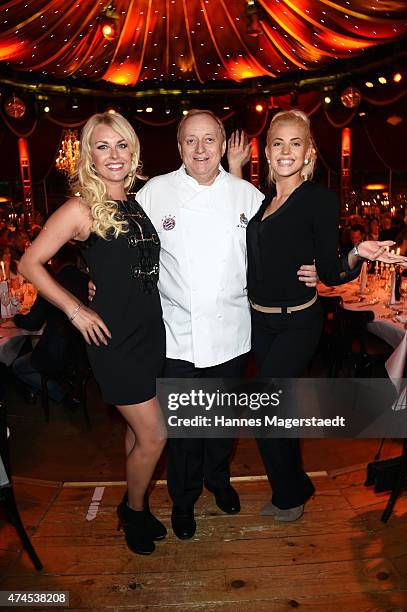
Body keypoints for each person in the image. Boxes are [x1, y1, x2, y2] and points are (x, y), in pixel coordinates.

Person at [134, 109, 319, 539]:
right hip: (177, 336)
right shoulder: (154, 193)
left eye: (210, 139)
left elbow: (281, 244)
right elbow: (129, 251)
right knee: (184, 434)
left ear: (222, 144)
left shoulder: (247, 195)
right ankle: (183, 501)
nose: (201, 149)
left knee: (221, 426)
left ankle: (218, 481)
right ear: (179, 146)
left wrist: (313, 266)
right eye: (191, 140)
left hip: (234, 333)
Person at [243, 110, 406, 521]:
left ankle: (290, 493)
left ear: (309, 152)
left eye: (295, 143)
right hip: (260, 323)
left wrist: (355, 253)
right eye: (277, 142)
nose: (285, 150)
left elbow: (331, 272)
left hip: (298, 321)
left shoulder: (318, 199)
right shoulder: (261, 202)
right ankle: (293, 486)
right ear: (266, 149)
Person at [18, 112, 167, 556]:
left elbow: (119, 265)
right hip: (112, 338)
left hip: (149, 332)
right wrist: (76, 308)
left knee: (139, 430)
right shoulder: (80, 207)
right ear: (89, 156)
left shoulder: (136, 202)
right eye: (102, 147)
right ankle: (134, 511)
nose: (114, 155)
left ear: (133, 150)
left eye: (121, 145)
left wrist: (91, 278)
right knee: (156, 434)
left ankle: (133, 499)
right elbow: (29, 263)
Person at [12, 242, 89, 403]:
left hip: (57, 355)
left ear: (54, 261)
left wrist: (15, 317)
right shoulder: (87, 280)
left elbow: (32, 323)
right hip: (84, 354)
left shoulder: (51, 287)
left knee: (17, 366)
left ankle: (62, 396)